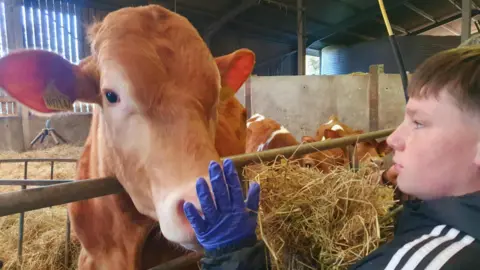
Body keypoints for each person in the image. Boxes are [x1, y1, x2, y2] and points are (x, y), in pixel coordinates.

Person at [183, 46, 480, 269]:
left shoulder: (426, 261)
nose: (392, 139)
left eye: (419, 122)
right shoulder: (432, 224)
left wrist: (231, 254)